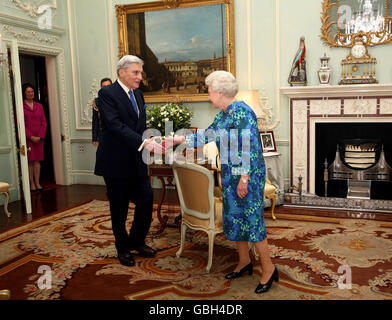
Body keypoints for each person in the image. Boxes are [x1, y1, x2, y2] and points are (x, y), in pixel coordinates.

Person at [168, 70, 278, 294]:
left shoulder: (243, 112)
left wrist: (244, 179)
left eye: (209, 92)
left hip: (246, 175)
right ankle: (244, 261)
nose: (209, 96)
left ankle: (269, 269)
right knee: (234, 218)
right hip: (229, 173)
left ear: (219, 92)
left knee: (252, 220)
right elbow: (207, 135)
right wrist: (179, 138)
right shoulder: (224, 114)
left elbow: (249, 148)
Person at [94, 55, 164, 267]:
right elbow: (115, 125)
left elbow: (138, 126)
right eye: (135, 72)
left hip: (136, 160)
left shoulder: (139, 95)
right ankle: (123, 248)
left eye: (140, 72)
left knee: (145, 200)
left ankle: (137, 241)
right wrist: (143, 143)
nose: (140, 77)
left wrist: (150, 140)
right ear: (121, 72)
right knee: (119, 208)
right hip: (115, 162)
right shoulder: (106, 94)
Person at [23, 83, 47, 192]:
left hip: (39, 139)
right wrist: (30, 136)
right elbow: (20, 124)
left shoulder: (39, 105)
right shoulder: (20, 106)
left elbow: (44, 123)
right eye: (28, 92)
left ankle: (37, 182)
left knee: (37, 161)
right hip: (28, 139)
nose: (30, 93)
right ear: (24, 93)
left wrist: (40, 136)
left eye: (32, 91)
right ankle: (31, 183)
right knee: (30, 161)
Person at [92, 78, 112, 147]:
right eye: (104, 87)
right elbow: (95, 121)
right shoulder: (97, 102)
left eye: (108, 86)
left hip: (116, 134)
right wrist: (94, 138)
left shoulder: (117, 100)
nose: (106, 88)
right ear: (101, 88)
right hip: (102, 134)